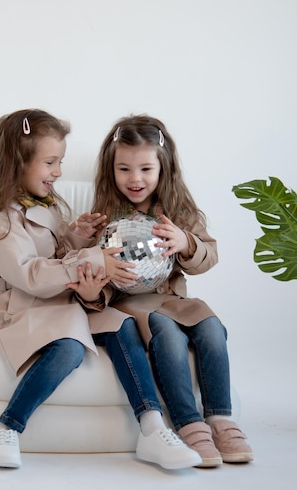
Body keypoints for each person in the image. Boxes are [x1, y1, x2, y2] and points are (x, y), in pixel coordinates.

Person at [0, 108, 201, 470]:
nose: (58, 172)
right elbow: (32, 275)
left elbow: (54, 253)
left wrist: (74, 235)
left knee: (121, 324)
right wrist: (96, 257)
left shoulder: (45, 205)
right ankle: (7, 427)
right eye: (51, 162)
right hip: (25, 306)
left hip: (63, 299)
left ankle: (151, 428)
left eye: (60, 162)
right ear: (17, 162)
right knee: (68, 348)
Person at [91, 114, 253, 467]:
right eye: (124, 169)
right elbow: (91, 268)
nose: (135, 179)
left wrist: (186, 242)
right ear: (111, 169)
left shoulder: (177, 210)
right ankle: (188, 422)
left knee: (210, 326)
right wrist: (98, 261)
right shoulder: (104, 216)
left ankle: (220, 418)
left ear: (163, 168)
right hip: (132, 304)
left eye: (146, 169)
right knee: (166, 334)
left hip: (172, 299)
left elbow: (209, 256)